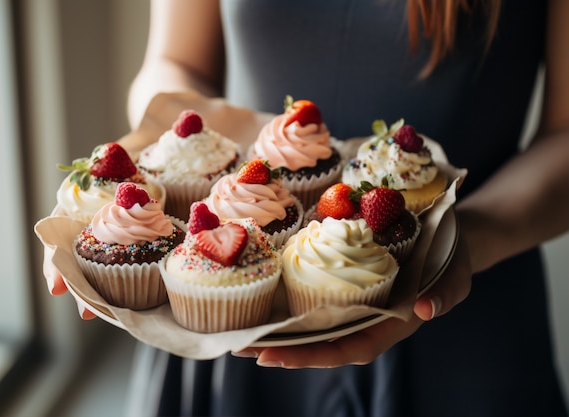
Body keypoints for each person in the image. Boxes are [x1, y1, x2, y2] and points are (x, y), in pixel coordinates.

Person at [44, 0, 569, 415]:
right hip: (232, 304)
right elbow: (175, 59)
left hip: (462, 316)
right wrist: (157, 158)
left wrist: (461, 242)